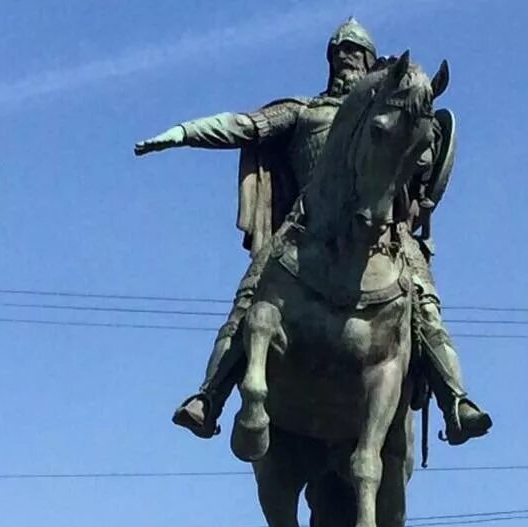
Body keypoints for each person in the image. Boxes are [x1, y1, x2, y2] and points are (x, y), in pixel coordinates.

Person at [135, 18, 492, 445]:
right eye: (338, 51)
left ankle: (456, 400)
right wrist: (182, 133)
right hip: (305, 228)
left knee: (426, 304)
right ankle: (210, 396)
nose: (345, 58)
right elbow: (245, 126)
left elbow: (423, 159)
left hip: (384, 231)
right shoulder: (305, 110)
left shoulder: (394, 110)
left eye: (355, 52)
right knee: (250, 301)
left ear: (372, 62)